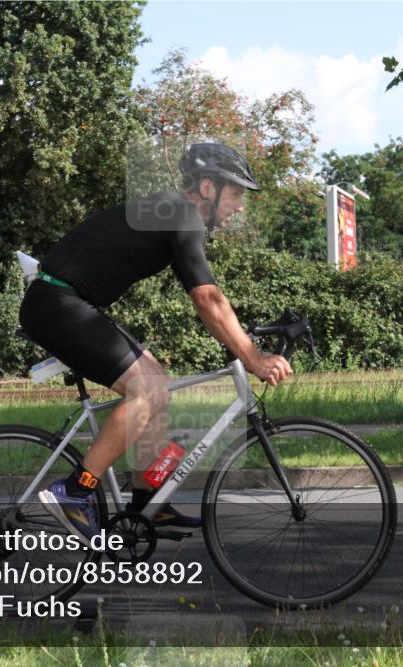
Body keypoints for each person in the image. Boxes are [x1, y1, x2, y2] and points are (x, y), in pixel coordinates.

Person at [19, 143, 293, 542]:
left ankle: (149, 503)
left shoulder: (172, 214)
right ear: (206, 187)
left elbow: (208, 298)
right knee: (146, 388)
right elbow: (207, 298)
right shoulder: (181, 216)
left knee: (157, 385)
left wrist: (243, 343)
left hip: (65, 301)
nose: (239, 206)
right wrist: (252, 357)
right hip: (57, 304)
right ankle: (76, 491)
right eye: (235, 194)